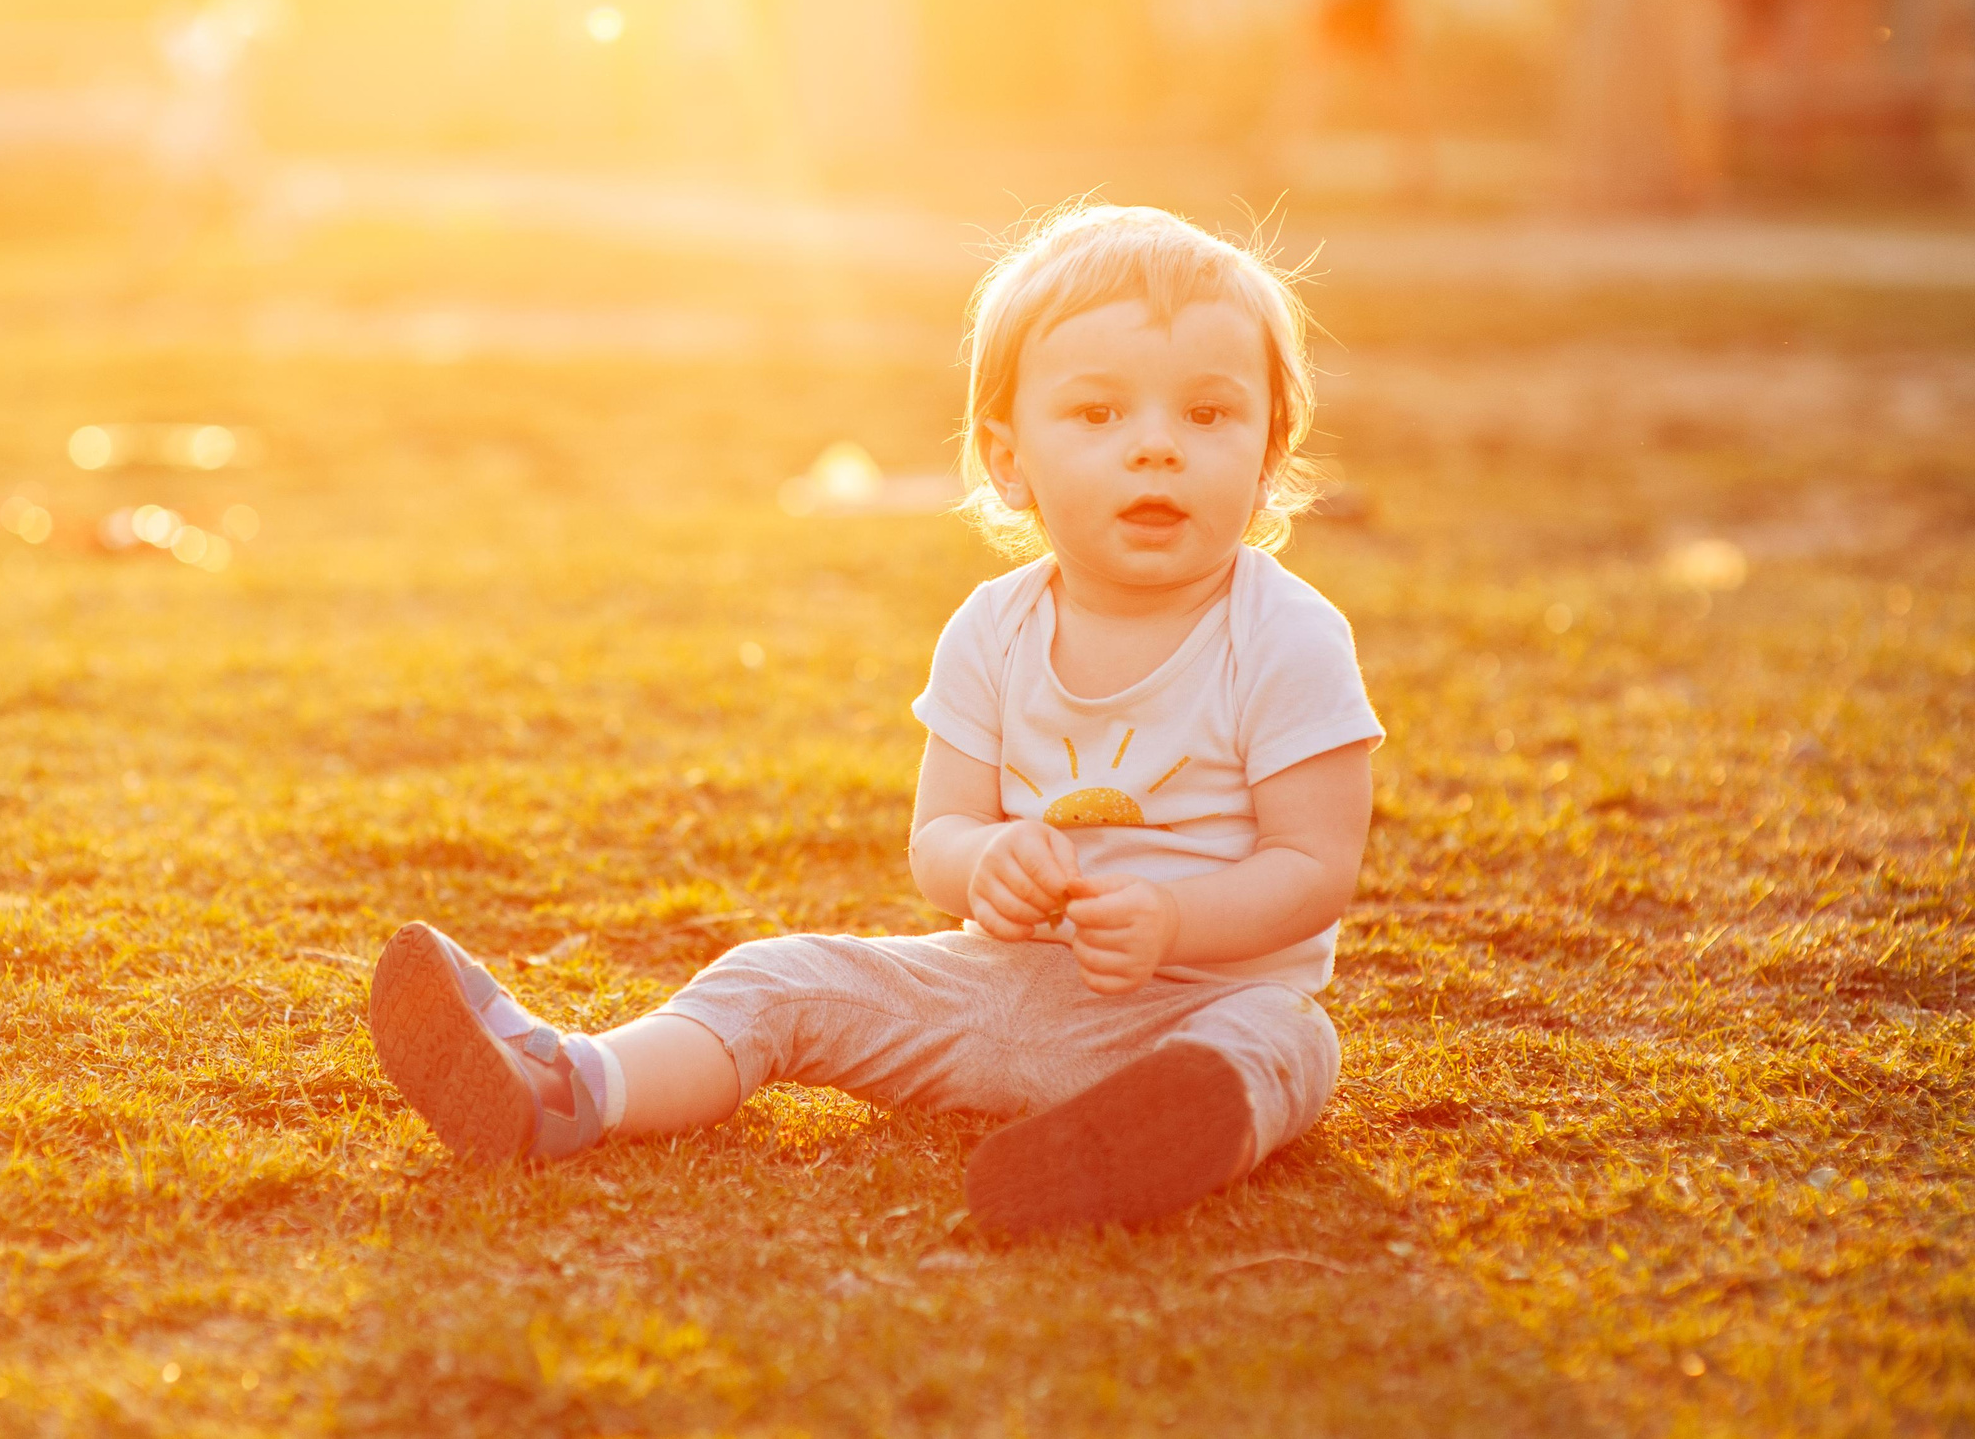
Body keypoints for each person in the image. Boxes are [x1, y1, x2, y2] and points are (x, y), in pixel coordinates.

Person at [365, 204, 1384, 1236]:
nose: (1156, 448)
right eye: (1098, 415)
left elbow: (1313, 869)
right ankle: (574, 1086)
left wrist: (1175, 923)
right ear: (1007, 458)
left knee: (1290, 1043)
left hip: (1199, 1008)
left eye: (1208, 416)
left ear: (1267, 457)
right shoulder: (992, 630)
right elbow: (938, 839)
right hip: (999, 994)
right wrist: (986, 865)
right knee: (775, 977)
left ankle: (1132, 1147)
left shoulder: (1286, 636)